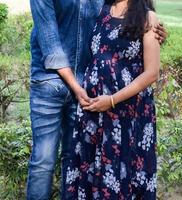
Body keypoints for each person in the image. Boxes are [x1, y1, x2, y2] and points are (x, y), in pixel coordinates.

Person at [27, 0, 166, 199]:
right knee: (44, 162)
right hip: (54, 84)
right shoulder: (103, 7)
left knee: (75, 160)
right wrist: (78, 88)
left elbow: (131, 27)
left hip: (96, 95)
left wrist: (156, 31)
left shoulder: (107, 4)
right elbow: (51, 47)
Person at [65, 0, 160, 199]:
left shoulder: (147, 17)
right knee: (91, 169)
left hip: (127, 113)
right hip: (94, 111)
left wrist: (112, 100)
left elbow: (152, 73)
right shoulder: (102, 10)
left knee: (122, 170)